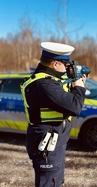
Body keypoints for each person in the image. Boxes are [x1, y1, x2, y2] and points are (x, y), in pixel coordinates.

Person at [20, 42, 87, 187]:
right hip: (48, 146)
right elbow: (75, 107)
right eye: (65, 63)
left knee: (55, 180)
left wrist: (73, 79)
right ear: (55, 64)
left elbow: (60, 93)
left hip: (54, 143)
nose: (67, 67)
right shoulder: (44, 85)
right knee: (49, 182)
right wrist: (80, 87)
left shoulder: (49, 80)